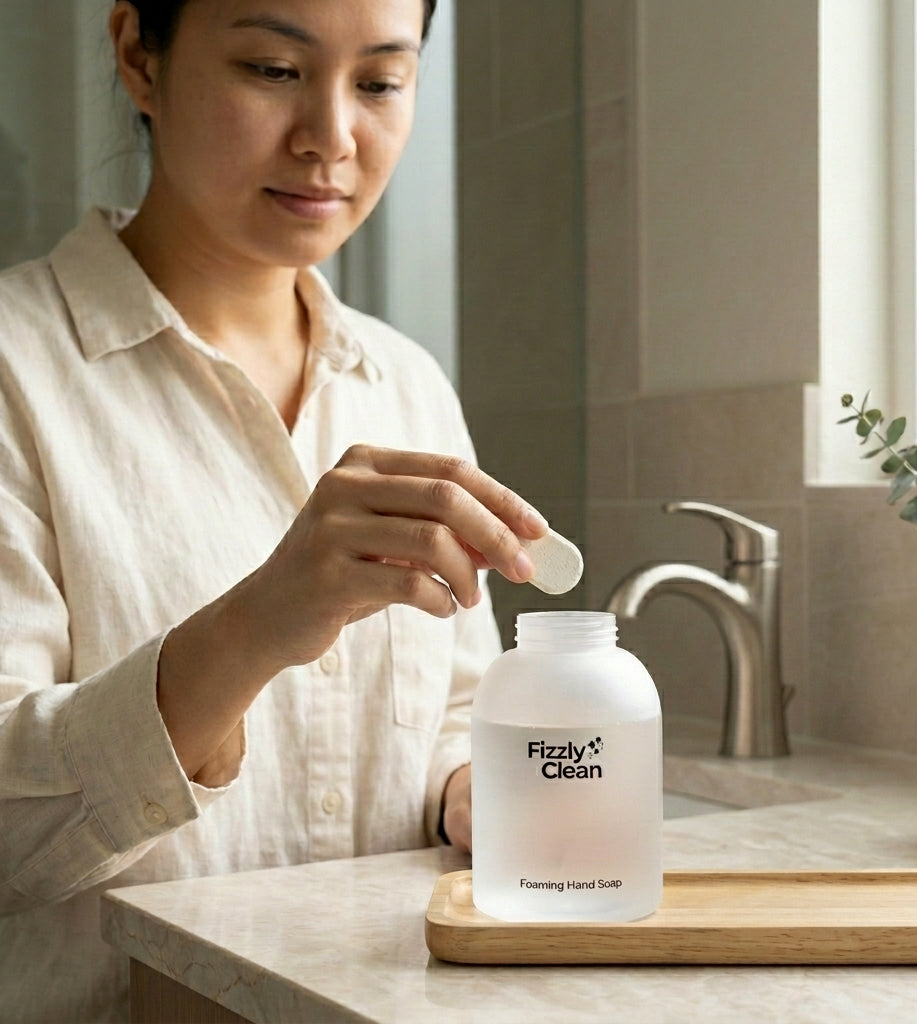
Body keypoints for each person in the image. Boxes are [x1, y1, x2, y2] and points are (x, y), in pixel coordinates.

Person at [0, 1, 547, 1019]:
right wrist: (253, 627)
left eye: (379, 82)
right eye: (271, 68)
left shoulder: (409, 386)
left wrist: (467, 787)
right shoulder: (16, 372)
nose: (332, 139)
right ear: (137, 55)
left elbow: (453, 707)